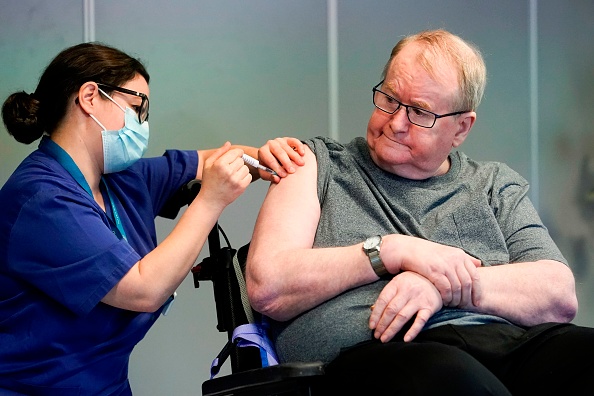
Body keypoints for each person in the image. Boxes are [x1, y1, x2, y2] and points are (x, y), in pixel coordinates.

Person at [245, 29, 594, 395]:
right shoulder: (315, 164)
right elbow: (268, 285)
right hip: (377, 354)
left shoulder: (493, 184)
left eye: (419, 112)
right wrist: (389, 251)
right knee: (449, 377)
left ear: (461, 128)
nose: (395, 122)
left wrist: (443, 288)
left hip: (502, 343)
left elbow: (559, 295)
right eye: (390, 100)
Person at [0, 42, 305, 395]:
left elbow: (215, 159)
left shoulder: (121, 180)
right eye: (135, 107)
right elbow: (144, 289)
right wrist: (210, 201)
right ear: (89, 97)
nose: (142, 124)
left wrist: (266, 156)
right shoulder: (41, 199)